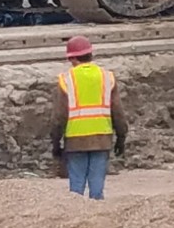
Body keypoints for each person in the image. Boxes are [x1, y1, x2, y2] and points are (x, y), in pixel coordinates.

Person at [51, 36, 127, 200]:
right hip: (102, 138)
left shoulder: (66, 79)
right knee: (97, 189)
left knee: (76, 191)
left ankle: (76, 218)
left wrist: (56, 142)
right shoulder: (107, 77)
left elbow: (59, 116)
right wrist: (121, 137)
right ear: (90, 54)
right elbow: (118, 112)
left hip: (75, 139)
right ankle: (97, 218)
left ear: (72, 58)